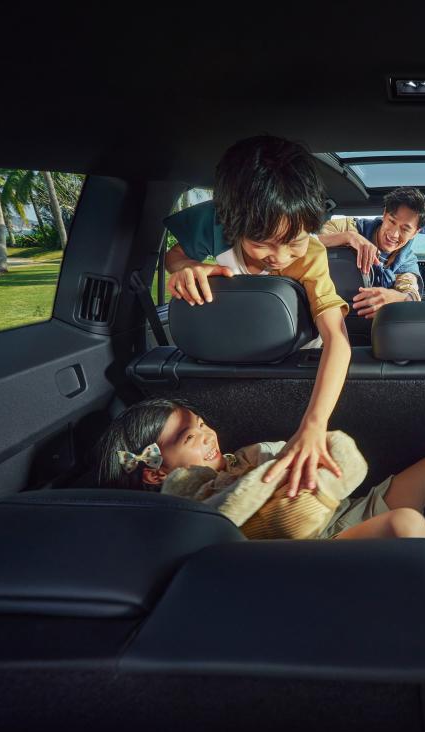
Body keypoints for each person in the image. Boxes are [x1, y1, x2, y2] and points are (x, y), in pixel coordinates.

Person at [161, 135, 350, 497]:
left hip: (296, 367)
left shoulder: (311, 257)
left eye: (294, 241)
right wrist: (186, 268)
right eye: (262, 243)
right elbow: (174, 256)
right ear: (231, 221)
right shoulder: (212, 224)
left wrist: (313, 425)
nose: (279, 257)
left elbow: (337, 340)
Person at [97, 399, 425, 540]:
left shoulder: (237, 460)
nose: (207, 435)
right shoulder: (190, 507)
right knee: (406, 523)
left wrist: (280, 454)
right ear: (156, 473)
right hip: (312, 542)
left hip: (339, 510)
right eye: (189, 437)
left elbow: (280, 456)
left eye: (201, 423)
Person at [318, 187, 425, 319]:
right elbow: (305, 243)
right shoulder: (348, 227)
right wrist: (347, 237)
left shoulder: (406, 261)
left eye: (405, 229)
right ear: (384, 214)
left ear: (415, 232)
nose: (394, 234)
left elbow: (412, 295)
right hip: (326, 311)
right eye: (392, 221)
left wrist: (397, 297)